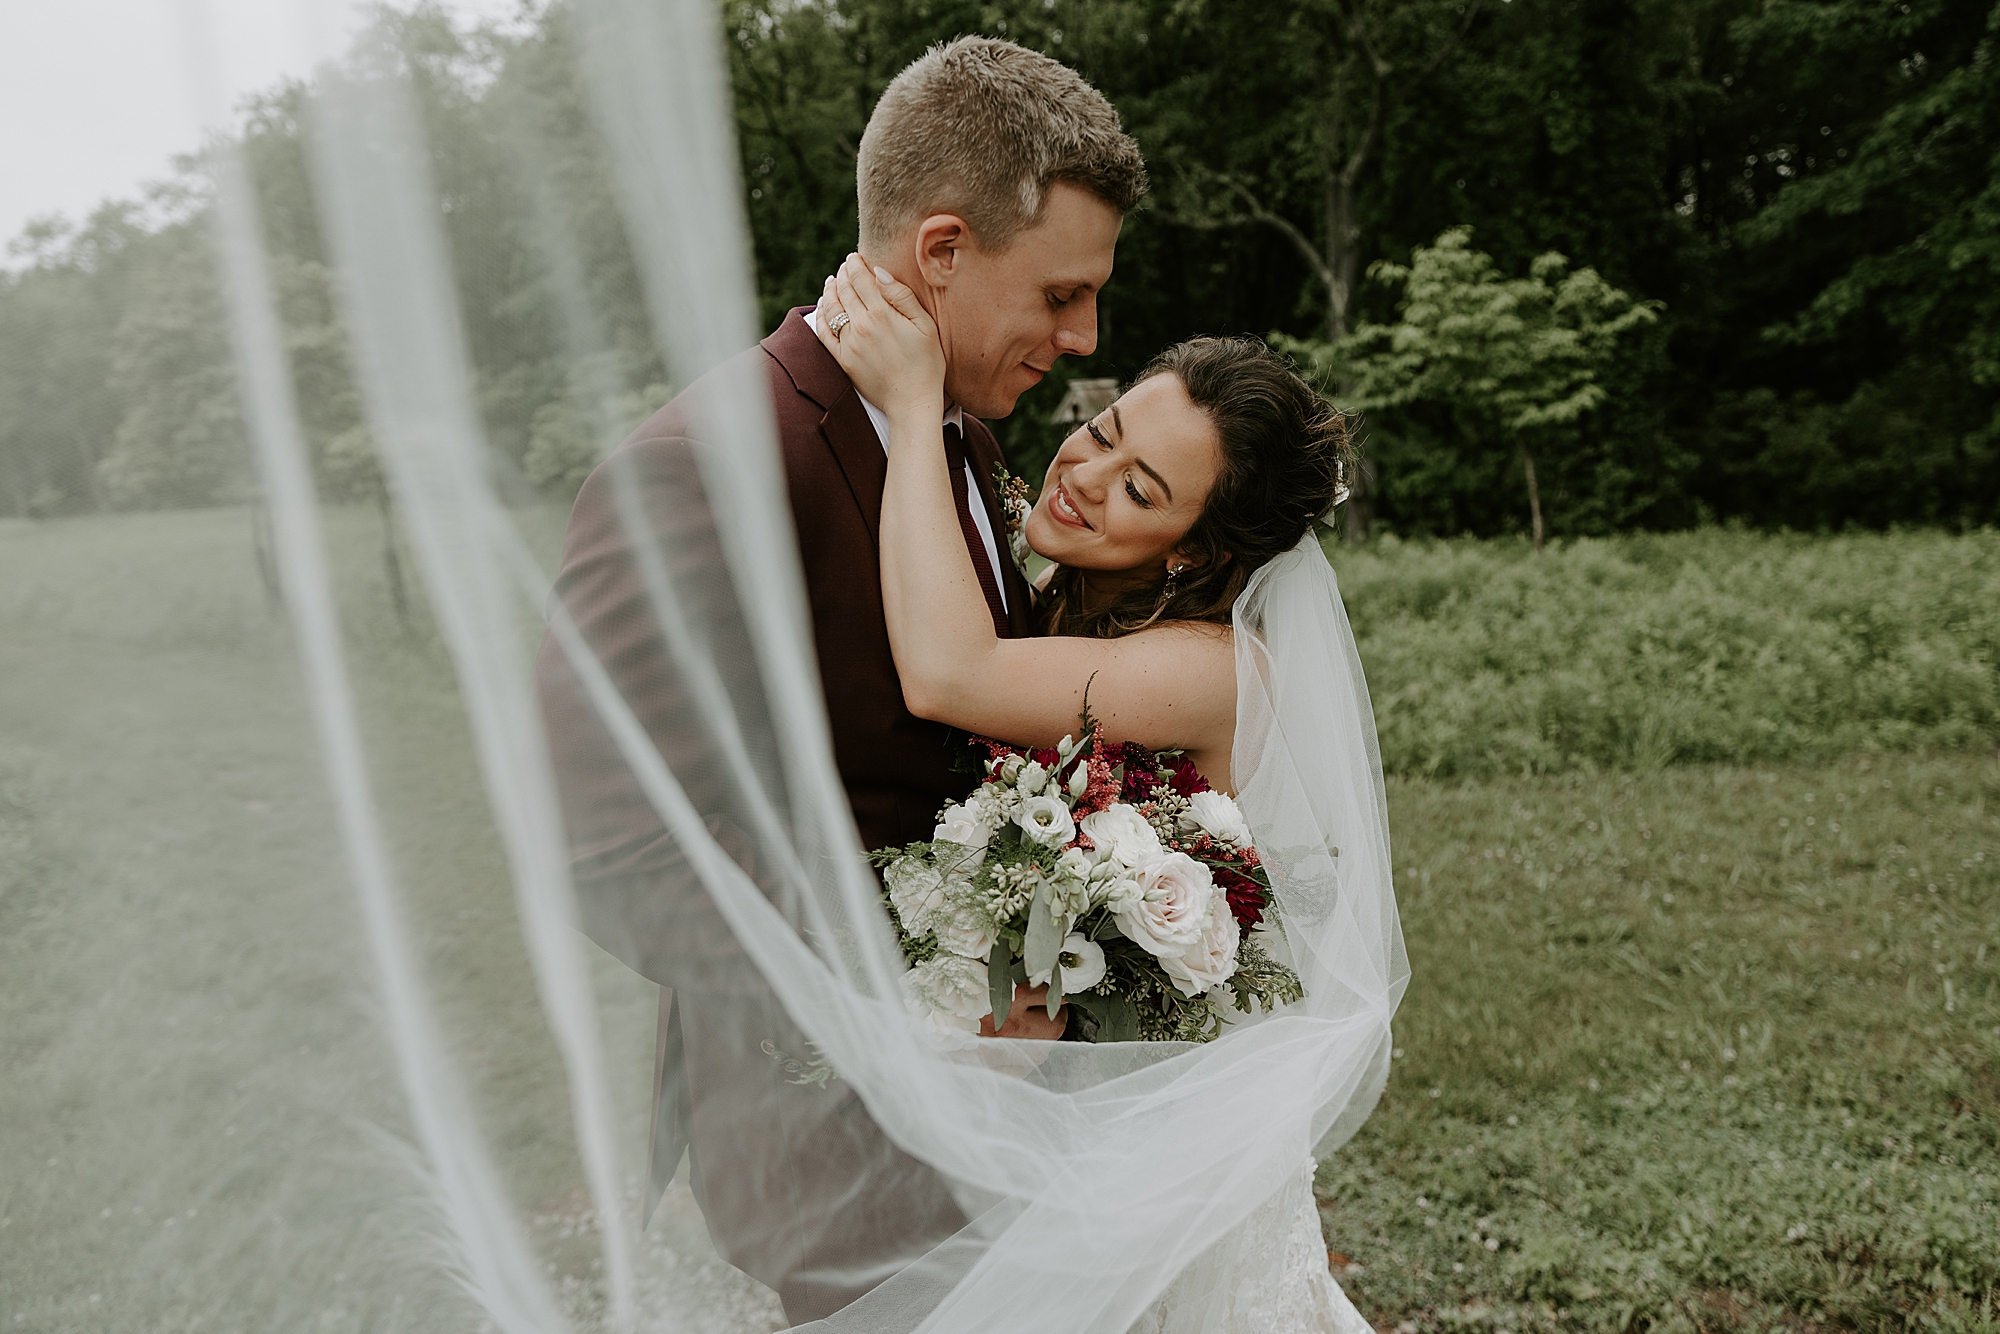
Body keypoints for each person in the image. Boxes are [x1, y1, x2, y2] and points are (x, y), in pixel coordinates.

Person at [533, 34, 1147, 1325]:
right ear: (942, 251)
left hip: (1007, 1108)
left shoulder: (962, 438)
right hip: (843, 1143)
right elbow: (605, 844)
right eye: (1060, 293)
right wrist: (916, 993)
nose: (1083, 334)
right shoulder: (703, 466)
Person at [810, 255, 1373, 1332]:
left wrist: (916, 403)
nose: (1084, 472)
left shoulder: (1209, 669)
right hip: (1072, 1134)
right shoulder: (1061, 600)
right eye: (1105, 431)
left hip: (1168, 1164)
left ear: (1195, 551)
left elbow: (948, 675)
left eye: (1140, 490)